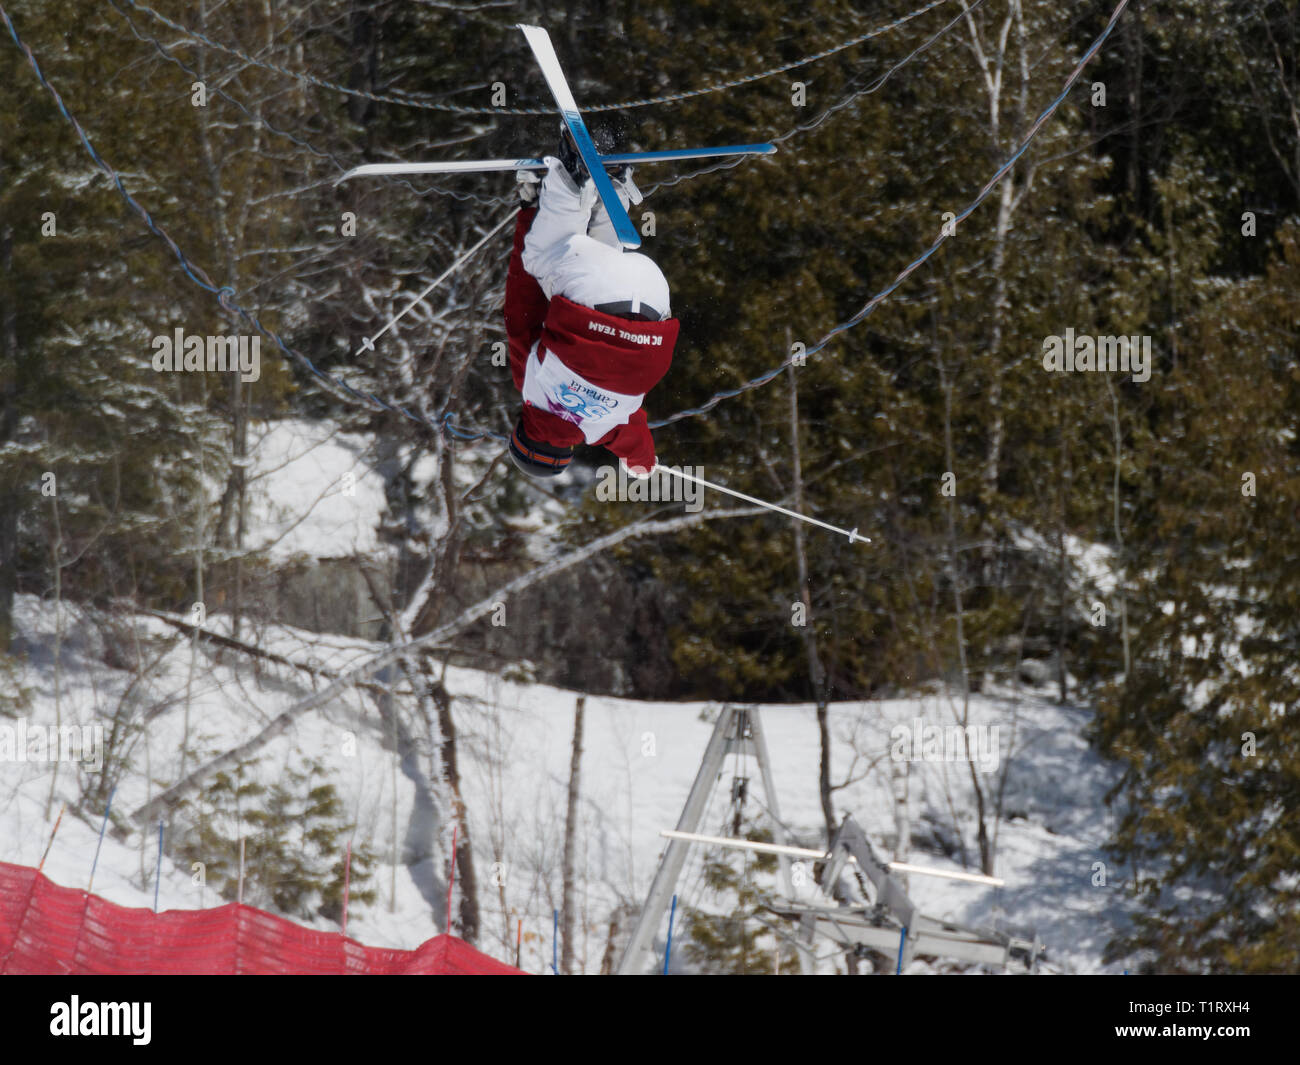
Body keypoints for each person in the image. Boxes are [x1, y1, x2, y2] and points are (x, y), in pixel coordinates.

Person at [502, 140, 679, 479]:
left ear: (568, 449)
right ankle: (566, 183)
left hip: (652, 298)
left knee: (591, 272)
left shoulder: (602, 430)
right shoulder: (531, 389)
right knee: (542, 259)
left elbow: (636, 441)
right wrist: (529, 212)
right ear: (521, 430)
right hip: (596, 294)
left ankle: (613, 187)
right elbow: (521, 306)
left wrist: (640, 463)